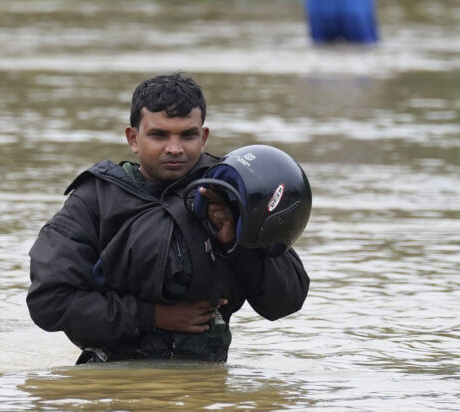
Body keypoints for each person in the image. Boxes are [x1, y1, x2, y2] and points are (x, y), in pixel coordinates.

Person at [27, 72, 310, 363]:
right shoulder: (95, 199)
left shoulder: (236, 194)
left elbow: (287, 301)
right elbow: (49, 301)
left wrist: (235, 243)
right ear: (133, 138)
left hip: (206, 387)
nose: (174, 148)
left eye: (188, 135)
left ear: (204, 137)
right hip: (113, 383)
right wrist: (153, 316)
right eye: (159, 135)